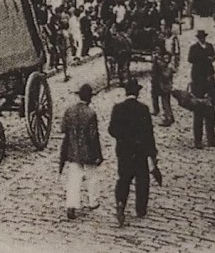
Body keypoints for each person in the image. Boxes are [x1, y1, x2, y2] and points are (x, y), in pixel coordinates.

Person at [108, 77, 159, 227]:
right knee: (142, 179)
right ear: (137, 93)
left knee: (123, 178)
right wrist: (152, 153)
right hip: (140, 151)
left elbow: (112, 130)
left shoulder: (118, 108)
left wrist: (123, 138)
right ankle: (140, 209)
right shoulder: (143, 109)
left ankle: (120, 203)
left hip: (124, 151)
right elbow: (149, 133)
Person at [59, 83, 103, 219]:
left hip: (73, 149)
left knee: (73, 178)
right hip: (88, 151)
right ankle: (93, 201)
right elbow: (93, 136)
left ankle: (71, 204)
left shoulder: (69, 111)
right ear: (89, 98)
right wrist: (98, 154)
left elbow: (63, 129)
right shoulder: (91, 113)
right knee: (92, 176)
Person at [188, 29, 215, 148]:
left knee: (211, 111)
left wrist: (212, 58)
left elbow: (214, 56)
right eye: (200, 37)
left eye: (203, 37)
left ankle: (211, 139)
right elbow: (190, 59)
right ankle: (198, 140)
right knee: (199, 111)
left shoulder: (209, 46)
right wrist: (204, 58)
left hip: (209, 79)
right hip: (198, 81)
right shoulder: (194, 48)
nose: (202, 39)